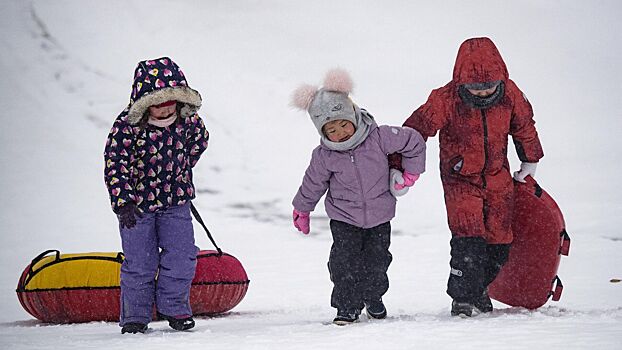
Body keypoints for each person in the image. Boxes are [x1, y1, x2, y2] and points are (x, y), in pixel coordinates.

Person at [391, 37, 544, 317]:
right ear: (461, 82)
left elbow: (524, 125)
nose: (484, 93)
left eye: (489, 87)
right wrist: (398, 164)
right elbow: (415, 131)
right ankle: (462, 298)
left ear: (501, 79)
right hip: (460, 180)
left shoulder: (510, 94)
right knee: (468, 239)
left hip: (498, 177)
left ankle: (479, 289)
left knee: (500, 242)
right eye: (475, 87)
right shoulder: (445, 99)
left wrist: (530, 159)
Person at [291, 69, 426, 325]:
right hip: (344, 219)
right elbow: (313, 183)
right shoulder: (324, 156)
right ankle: (346, 306)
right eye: (331, 129)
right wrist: (302, 208)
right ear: (322, 130)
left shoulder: (378, 137)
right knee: (343, 263)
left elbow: (414, 141)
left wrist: (411, 174)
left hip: (379, 216)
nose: (340, 132)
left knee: (378, 262)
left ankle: (373, 297)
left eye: (343, 123)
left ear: (353, 115)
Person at [104, 57, 209, 333]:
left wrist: (182, 171)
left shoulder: (188, 123)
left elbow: (199, 143)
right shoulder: (128, 127)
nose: (164, 111)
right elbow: (116, 163)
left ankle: (174, 308)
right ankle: (135, 316)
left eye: (169, 103)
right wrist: (123, 200)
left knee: (182, 254)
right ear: (145, 102)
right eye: (158, 104)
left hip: (175, 203)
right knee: (140, 260)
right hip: (137, 208)